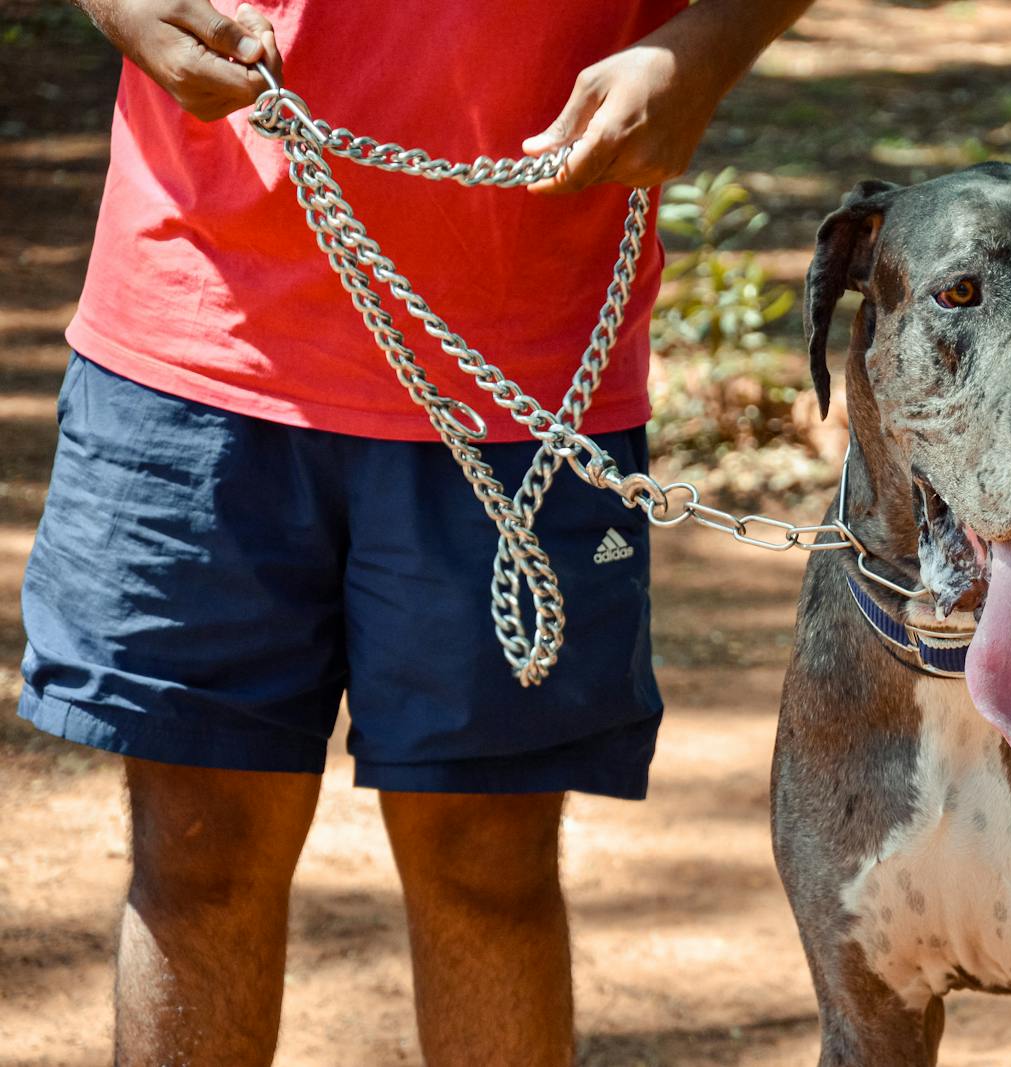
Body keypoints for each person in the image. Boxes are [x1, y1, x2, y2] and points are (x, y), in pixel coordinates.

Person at [21, 1, 812, 1062]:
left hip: (527, 347)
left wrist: (701, 50)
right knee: (198, 841)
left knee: (489, 855)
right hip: (198, 323)